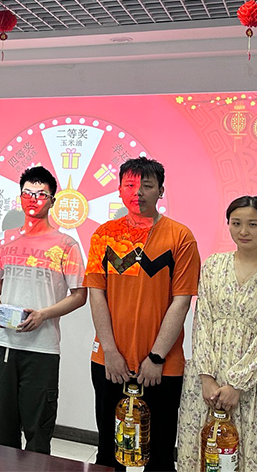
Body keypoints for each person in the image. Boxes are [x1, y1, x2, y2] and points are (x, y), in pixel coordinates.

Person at [84, 157, 201, 472]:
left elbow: (181, 301)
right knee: (109, 454)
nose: (138, 193)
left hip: (163, 365)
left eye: (147, 186)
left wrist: (157, 357)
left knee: (160, 455)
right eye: (130, 185)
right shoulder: (103, 235)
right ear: (120, 190)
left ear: (160, 191)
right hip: (110, 362)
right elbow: (96, 294)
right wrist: (110, 351)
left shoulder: (180, 237)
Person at [176, 196, 257, 472]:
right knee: (200, 454)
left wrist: (237, 385)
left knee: (251, 455)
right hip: (206, 382)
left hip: (253, 385)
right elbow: (202, 321)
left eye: (253, 224)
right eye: (236, 223)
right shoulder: (213, 266)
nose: (244, 231)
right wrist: (206, 377)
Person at [0, 166, 87, 454]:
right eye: (27, 193)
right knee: (4, 430)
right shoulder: (3, 240)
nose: (33, 199)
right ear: (20, 197)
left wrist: (43, 314)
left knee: (38, 432)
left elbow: (79, 295)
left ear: (52, 200)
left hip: (43, 349)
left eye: (41, 194)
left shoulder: (67, 244)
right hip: (5, 344)